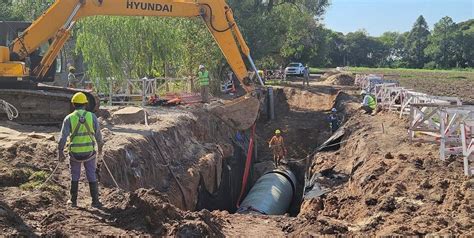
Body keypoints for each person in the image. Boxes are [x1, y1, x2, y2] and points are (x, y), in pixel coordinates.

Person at [58, 92, 104, 208]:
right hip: (89, 153)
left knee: (75, 175)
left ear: (73, 104)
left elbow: (62, 138)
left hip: (75, 154)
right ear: (85, 104)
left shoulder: (69, 118)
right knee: (91, 175)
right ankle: (95, 202)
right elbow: (99, 137)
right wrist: (99, 151)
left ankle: (73, 201)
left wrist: (60, 153)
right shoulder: (92, 117)